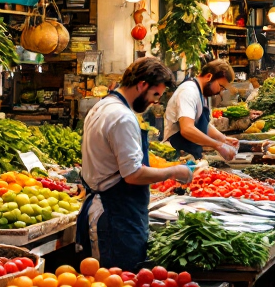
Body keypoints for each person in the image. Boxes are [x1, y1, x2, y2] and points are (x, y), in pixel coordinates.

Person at [78, 58, 193, 269]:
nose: (155, 101)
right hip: (115, 217)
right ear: (142, 85)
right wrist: (174, 170)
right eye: (155, 94)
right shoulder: (122, 117)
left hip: (110, 209)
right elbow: (133, 174)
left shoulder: (101, 106)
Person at [163, 59, 238, 160]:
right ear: (209, 76)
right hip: (178, 157)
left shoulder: (201, 93)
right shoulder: (189, 92)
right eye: (221, 87)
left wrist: (223, 139)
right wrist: (218, 145)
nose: (220, 92)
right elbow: (187, 129)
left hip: (190, 155)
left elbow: (201, 123)